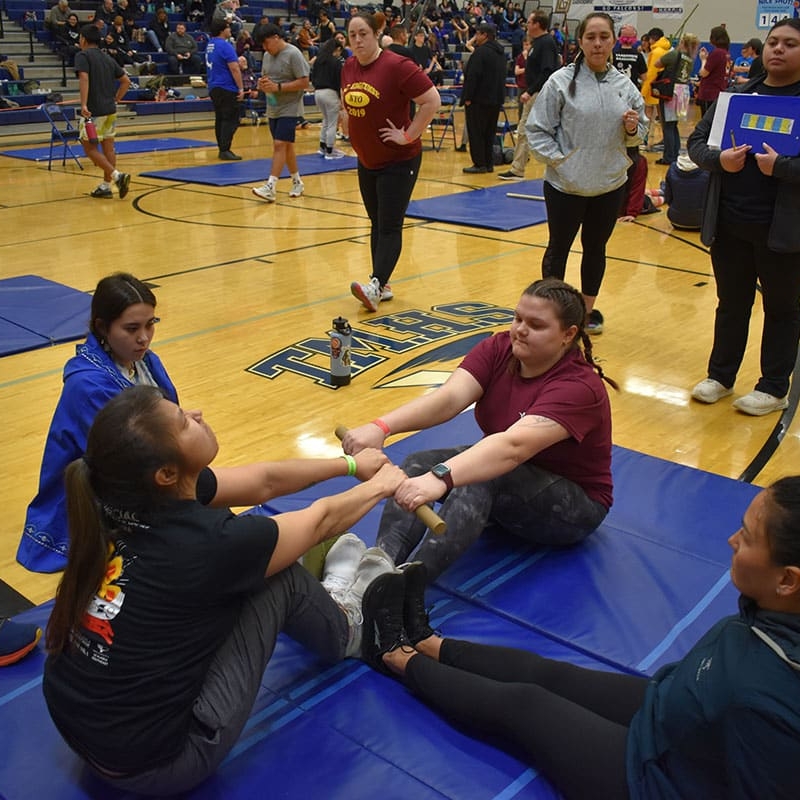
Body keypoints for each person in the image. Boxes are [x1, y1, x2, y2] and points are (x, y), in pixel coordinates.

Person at [42, 385, 406, 795]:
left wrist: (350, 466)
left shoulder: (121, 494)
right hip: (158, 765)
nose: (195, 414)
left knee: (245, 552)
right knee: (277, 573)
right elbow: (319, 522)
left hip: (79, 728)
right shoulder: (206, 545)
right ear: (165, 474)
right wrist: (382, 485)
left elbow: (263, 481)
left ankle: (326, 601)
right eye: (183, 422)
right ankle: (347, 627)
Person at [360, 476, 800, 800]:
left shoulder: (763, 702)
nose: (731, 539)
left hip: (652, 778)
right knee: (551, 673)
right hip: (673, 710)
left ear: (787, 579)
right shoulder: (779, 607)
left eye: (746, 537)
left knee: (526, 705)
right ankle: (428, 642)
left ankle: (395, 655)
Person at [341, 278, 616, 582]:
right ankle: (375, 573)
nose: (520, 329)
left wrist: (441, 478)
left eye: (536, 325)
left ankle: (405, 588)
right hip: (511, 480)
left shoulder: (579, 387)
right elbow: (449, 399)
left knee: (479, 478)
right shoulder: (501, 348)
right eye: (518, 318)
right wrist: (382, 426)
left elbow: (513, 447)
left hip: (572, 506)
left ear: (568, 335)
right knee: (417, 464)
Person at [17, 273, 176, 573]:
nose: (144, 337)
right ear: (102, 327)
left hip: (143, 468)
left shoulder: (145, 361)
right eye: (132, 328)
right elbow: (122, 457)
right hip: (103, 487)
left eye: (150, 324)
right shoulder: (88, 385)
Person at [687, 18, 800, 416]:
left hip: (783, 232)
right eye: (773, 42)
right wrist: (720, 159)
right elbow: (696, 143)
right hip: (731, 224)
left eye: (790, 43)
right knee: (730, 303)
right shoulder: (735, 97)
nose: (778, 49)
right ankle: (720, 376)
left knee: (781, 309)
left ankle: (773, 386)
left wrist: (782, 167)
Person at [526, 12, 647, 335]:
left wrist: (633, 130)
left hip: (608, 185)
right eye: (590, 37)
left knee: (596, 249)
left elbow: (641, 132)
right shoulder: (560, 82)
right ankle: (550, 313)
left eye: (604, 37)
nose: (597, 43)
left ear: (613, 41)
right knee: (559, 248)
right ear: (580, 41)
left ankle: (586, 313)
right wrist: (562, 162)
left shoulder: (624, 86)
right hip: (565, 185)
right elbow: (536, 130)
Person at [343, 11, 440, 313]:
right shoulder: (347, 67)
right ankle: (381, 285)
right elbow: (349, 103)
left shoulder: (397, 66)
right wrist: (345, 124)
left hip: (398, 161)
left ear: (376, 35)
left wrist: (409, 135)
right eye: (352, 35)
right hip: (367, 159)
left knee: (389, 226)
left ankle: (375, 285)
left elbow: (431, 100)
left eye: (363, 34)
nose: (357, 40)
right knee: (376, 223)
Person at [250, 23, 310, 202]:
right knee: (286, 146)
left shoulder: (293, 54)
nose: (265, 47)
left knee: (279, 145)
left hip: (290, 107)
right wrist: (263, 88)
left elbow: (304, 82)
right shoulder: (267, 56)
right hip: (273, 107)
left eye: (266, 43)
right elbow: (268, 81)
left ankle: (271, 186)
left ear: (276, 37)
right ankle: (297, 181)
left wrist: (278, 87)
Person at [497, 10, 559, 181]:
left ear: (538, 24)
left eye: (530, 22)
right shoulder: (537, 43)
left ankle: (521, 168)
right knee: (524, 130)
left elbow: (547, 70)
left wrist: (530, 91)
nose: (527, 26)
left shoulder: (546, 43)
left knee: (531, 129)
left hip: (539, 93)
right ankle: (518, 168)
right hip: (534, 92)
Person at [74, 24, 131, 200]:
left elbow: (84, 77)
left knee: (89, 148)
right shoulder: (107, 58)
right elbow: (126, 81)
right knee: (108, 148)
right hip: (110, 110)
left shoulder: (82, 55)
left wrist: (84, 104)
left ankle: (116, 176)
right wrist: (117, 99)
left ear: (83, 39)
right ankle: (106, 186)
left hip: (94, 111)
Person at [460, 21, 506, 175]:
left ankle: (479, 163)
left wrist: (467, 97)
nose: (476, 37)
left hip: (479, 100)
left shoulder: (480, 53)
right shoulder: (501, 53)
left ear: (485, 35)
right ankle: (488, 162)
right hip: (495, 99)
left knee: (476, 132)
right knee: (489, 132)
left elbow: (473, 76)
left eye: (478, 34)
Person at [653, 32, 699, 166]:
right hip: (683, 92)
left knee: (667, 125)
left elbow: (657, 64)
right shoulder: (690, 58)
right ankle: (674, 153)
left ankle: (668, 157)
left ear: (682, 42)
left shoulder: (674, 55)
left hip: (671, 91)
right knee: (673, 125)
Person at [205, 18, 244, 161]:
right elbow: (234, 68)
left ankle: (222, 148)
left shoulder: (210, 44)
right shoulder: (225, 46)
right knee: (230, 118)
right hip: (226, 87)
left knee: (220, 118)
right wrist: (240, 88)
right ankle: (225, 149)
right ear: (222, 30)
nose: (230, 30)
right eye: (228, 27)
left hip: (214, 86)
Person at [311, 37, 346, 159]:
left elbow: (313, 77)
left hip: (318, 92)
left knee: (325, 120)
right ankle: (330, 150)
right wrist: (340, 97)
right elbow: (338, 81)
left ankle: (322, 147)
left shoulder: (318, 60)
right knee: (332, 123)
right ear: (336, 49)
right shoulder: (336, 62)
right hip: (330, 93)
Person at [663, 154, 707, 230]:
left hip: (675, 220)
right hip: (702, 222)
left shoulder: (672, 168)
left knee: (664, 186)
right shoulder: (708, 170)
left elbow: (668, 198)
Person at [696, 26, 730, 116]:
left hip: (710, 94)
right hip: (720, 91)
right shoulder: (726, 53)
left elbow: (703, 73)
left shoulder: (716, 53)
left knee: (707, 123)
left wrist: (703, 59)